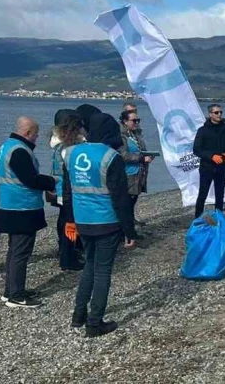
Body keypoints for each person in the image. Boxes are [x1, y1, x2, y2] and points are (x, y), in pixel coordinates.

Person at [63, 113, 137, 337]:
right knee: (103, 270)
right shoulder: (111, 157)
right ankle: (95, 323)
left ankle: (78, 315)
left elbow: (67, 192)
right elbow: (120, 198)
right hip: (106, 220)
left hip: (83, 219)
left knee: (89, 265)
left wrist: (70, 220)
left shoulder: (71, 153)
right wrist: (129, 230)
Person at [0, 117, 56, 308]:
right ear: (28, 132)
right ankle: (16, 295)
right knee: (21, 252)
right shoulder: (19, 151)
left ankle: (11, 290)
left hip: (10, 204)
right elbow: (30, 179)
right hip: (21, 206)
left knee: (15, 250)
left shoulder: (7, 145)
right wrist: (52, 182)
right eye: (36, 134)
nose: (37, 138)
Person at [49, 109, 85, 271]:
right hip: (68, 192)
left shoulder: (59, 147)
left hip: (60, 191)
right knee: (69, 224)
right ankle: (68, 257)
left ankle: (66, 253)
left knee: (64, 222)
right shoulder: (68, 149)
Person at [192, 104, 225, 217]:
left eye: (220, 112)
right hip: (207, 167)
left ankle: (219, 218)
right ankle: (197, 218)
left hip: (222, 167)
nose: (219, 114)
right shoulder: (202, 130)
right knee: (203, 194)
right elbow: (196, 149)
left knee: (220, 195)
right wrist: (211, 156)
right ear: (210, 114)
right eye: (216, 112)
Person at [118, 109, 151, 228]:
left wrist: (148, 156)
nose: (136, 123)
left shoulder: (135, 134)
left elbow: (141, 150)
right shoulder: (121, 136)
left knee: (133, 199)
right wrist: (142, 158)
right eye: (134, 120)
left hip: (138, 172)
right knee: (127, 201)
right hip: (128, 173)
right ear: (125, 121)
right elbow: (123, 155)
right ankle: (126, 228)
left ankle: (130, 222)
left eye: (138, 120)